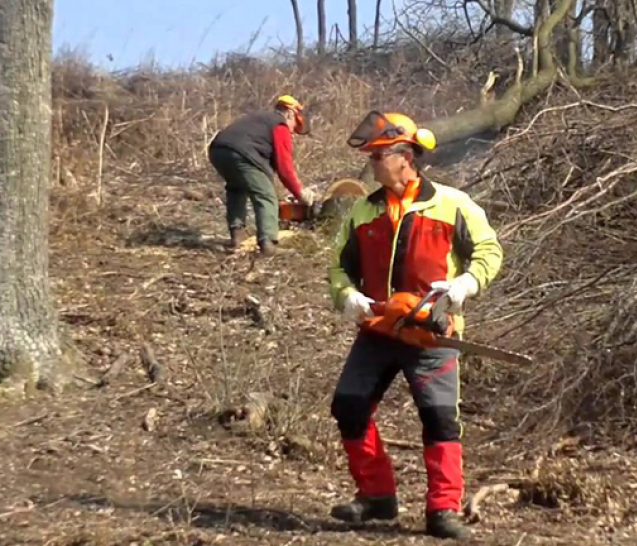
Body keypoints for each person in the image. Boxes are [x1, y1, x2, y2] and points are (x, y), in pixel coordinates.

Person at [326, 111, 504, 539]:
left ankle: (443, 509)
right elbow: (338, 267)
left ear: (405, 156)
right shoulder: (362, 212)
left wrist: (465, 283)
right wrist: (347, 295)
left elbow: (489, 251)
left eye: (378, 156)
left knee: (440, 418)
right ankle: (377, 497)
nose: (371, 163)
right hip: (378, 330)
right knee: (348, 406)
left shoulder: (453, 203)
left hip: (432, 331)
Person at [208, 95, 316, 255]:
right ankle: (268, 244)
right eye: (295, 125)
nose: (293, 131)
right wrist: (300, 194)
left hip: (218, 150)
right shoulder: (280, 125)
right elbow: (284, 168)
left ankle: (237, 236)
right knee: (266, 196)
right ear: (290, 114)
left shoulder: (260, 121)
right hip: (241, 153)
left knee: (237, 188)